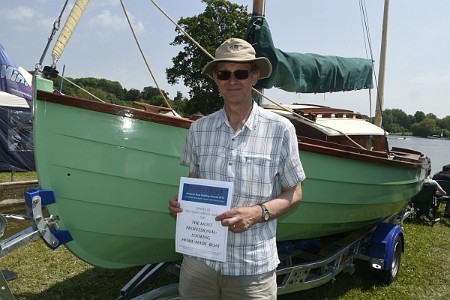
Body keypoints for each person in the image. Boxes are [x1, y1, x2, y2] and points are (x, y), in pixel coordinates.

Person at [168, 38, 305, 299]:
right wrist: (181, 205)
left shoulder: (281, 129)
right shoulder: (199, 128)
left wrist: (257, 213)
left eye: (241, 73)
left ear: (254, 77)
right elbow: (194, 181)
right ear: (216, 79)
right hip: (199, 263)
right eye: (224, 73)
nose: (232, 80)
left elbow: (294, 192)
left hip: (252, 267)